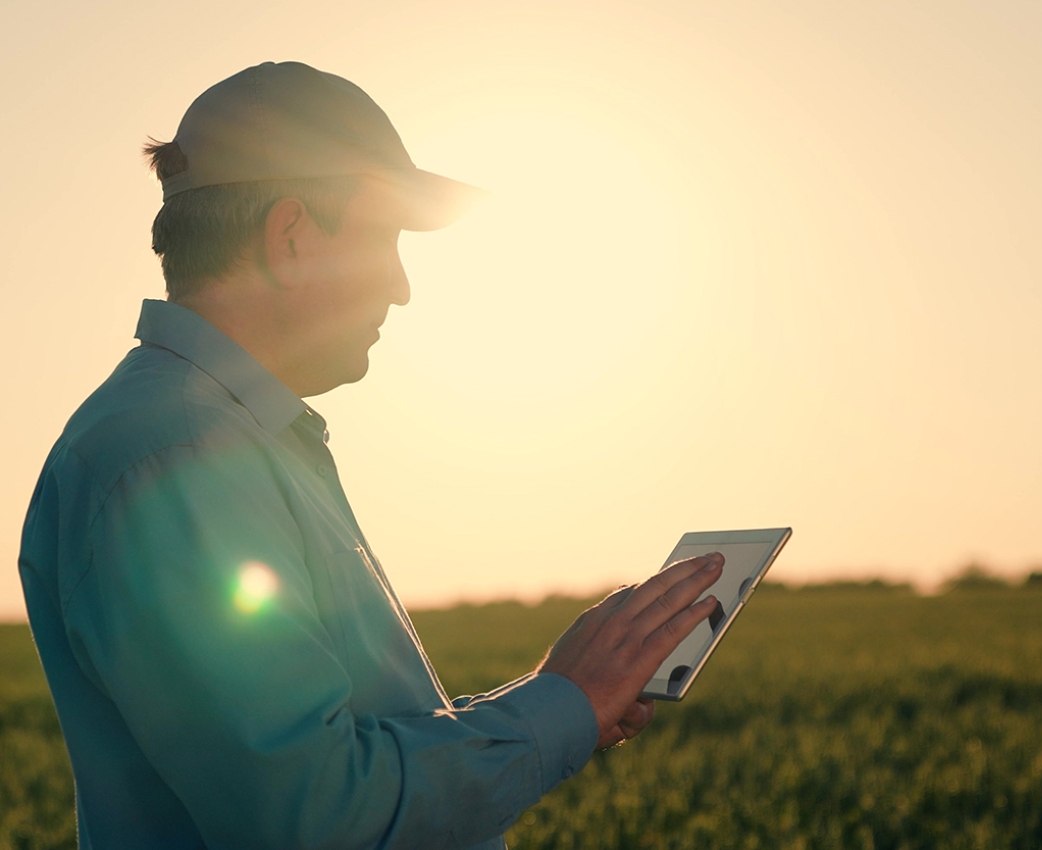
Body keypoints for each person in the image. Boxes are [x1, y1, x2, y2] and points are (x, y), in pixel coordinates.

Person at [18, 61, 723, 850]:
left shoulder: (216, 437)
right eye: (383, 238)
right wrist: (562, 703)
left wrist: (562, 701)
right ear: (290, 238)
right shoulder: (178, 458)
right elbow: (318, 817)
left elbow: (328, 758)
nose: (400, 285)